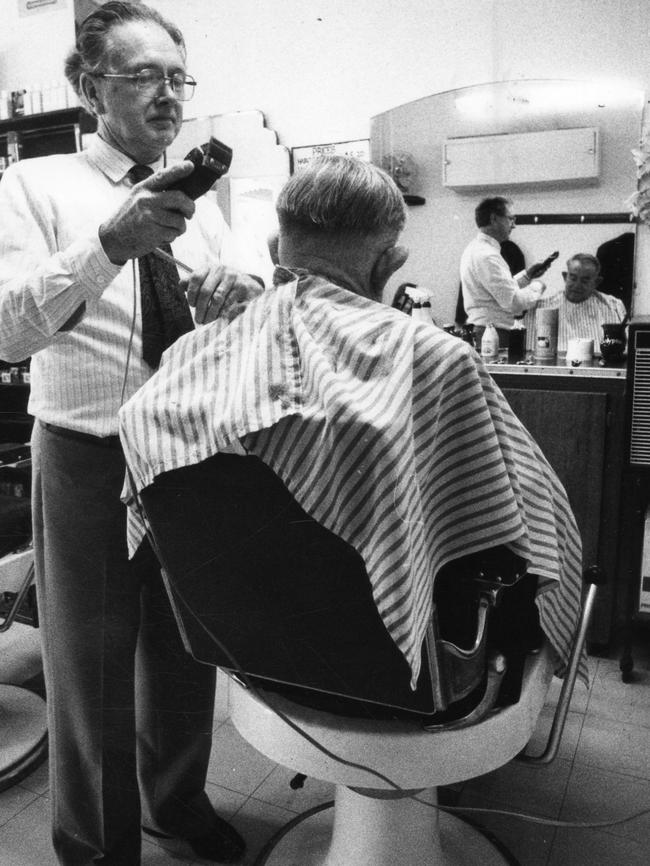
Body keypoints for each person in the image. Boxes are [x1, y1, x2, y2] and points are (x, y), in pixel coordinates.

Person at [118, 156, 586, 723]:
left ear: (274, 250)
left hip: (252, 657)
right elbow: (533, 529)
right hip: (410, 671)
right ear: (391, 262)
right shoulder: (435, 360)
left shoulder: (186, 362)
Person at [0, 2, 261, 863]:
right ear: (89, 87)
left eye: (178, 78)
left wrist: (236, 295)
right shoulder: (34, 187)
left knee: (188, 648)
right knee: (93, 670)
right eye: (144, 76)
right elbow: (7, 331)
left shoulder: (200, 194)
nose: (168, 95)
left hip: (189, 453)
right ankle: (98, 847)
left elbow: (213, 313)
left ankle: (176, 807)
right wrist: (108, 243)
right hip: (84, 452)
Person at [460, 196, 552, 348]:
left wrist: (527, 276)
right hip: (493, 334)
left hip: (487, 331)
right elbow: (514, 303)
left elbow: (498, 292)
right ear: (494, 218)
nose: (514, 225)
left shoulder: (476, 249)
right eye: (511, 219)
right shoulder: (487, 255)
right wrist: (538, 286)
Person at [524, 253, 627, 355]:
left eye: (585, 281)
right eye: (573, 278)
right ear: (565, 277)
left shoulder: (613, 307)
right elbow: (510, 304)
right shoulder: (542, 307)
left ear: (597, 282)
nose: (577, 285)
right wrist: (527, 276)